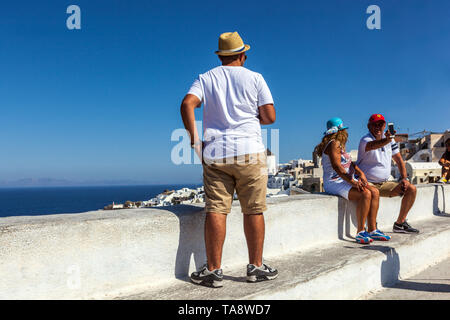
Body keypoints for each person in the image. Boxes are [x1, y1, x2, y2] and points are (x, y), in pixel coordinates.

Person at [180, 31, 278, 288]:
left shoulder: (206, 78)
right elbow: (269, 117)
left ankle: (213, 271)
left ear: (222, 56)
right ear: (242, 55)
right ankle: (256, 267)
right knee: (253, 209)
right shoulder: (255, 78)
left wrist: (195, 141)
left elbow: (187, 104)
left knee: (216, 209)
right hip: (250, 152)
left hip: (215, 153)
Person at [314, 117, 390, 244]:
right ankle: (360, 232)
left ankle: (372, 229)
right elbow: (337, 167)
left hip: (345, 179)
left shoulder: (338, 144)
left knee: (375, 192)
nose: (346, 134)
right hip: (335, 182)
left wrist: (360, 174)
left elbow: (349, 163)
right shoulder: (334, 144)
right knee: (365, 194)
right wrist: (353, 182)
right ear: (339, 131)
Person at [356, 114, 419, 234]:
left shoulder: (390, 141)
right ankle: (372, 227)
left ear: (385, 126)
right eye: (374, 124)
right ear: (369, 126)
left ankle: (400, 224)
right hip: (367, 182)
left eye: (381, 124)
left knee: (411, 189)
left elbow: (399, 160)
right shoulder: (366, 140)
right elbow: (372, 146)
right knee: (372, 192)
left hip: (384, 183)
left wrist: (404, 178)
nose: (378, 127)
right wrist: (388, 140)